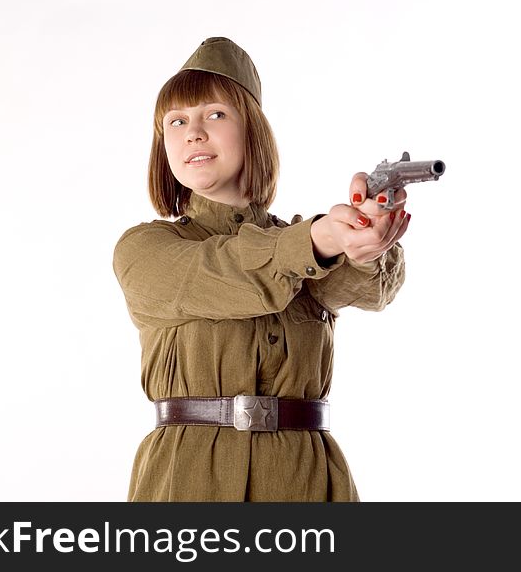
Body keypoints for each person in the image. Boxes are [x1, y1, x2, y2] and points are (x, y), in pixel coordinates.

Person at [112, 36, 409, 501]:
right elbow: (223, 272)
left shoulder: (307, 250)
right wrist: (322, 238)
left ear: (253, 130)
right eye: (176, 120)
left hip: (306, 482)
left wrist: (365, 236)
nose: (193, 131)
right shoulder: (146, 250)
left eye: (215, 114)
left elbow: (368, 290)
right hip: (187, 484)